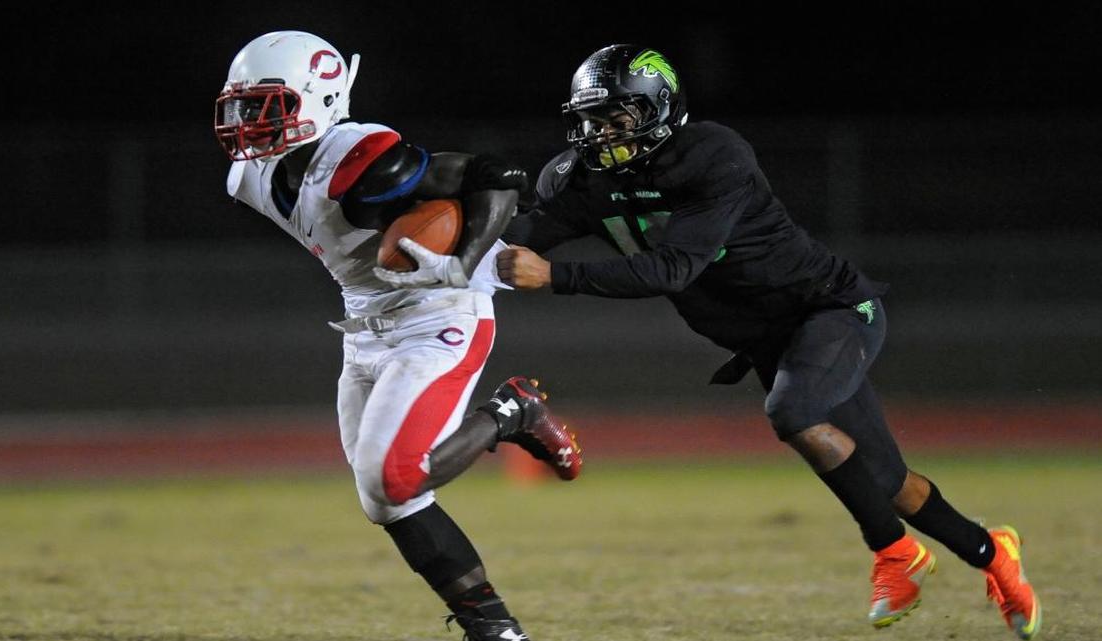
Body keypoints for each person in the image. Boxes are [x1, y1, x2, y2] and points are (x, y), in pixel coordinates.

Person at [499, 44, 1041, 639]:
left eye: (615, 117)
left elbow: (675, 268)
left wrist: (557, 277)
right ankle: (995, 555)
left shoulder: (710, 155)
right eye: (590, 118)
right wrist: (454, 250)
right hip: (767, 339)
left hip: (829, 310)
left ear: (658, 108)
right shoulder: (580, 179)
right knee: (886, 481)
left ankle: (894, 555)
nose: (599, 133)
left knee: (793, 411)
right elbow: (518, 240)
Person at [214, 31, 582, 641]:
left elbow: (495, 175)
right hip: (364, 326)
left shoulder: (360, 154)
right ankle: (493, 627)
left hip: (438, 312)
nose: (247, 122)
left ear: (319, 96)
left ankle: (511, 410)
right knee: (385, 501)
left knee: (395, 476)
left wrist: (462, 259)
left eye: (264, 105)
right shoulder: (252, 177)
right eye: (242, 106)